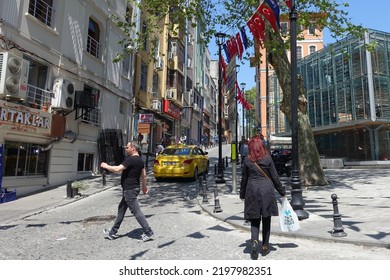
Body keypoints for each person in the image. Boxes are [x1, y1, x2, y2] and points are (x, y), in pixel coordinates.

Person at [239, 134, 286, 259]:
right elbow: (275, 177)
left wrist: (242, 193)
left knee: (254, 219)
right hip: (266, 191)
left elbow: (244, 179)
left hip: (252, 190)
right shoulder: (268, 158)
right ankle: (265, 245)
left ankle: (254, 241)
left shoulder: (247, 160)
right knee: (266, 218)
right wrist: (282, 192)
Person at [100, 141, 154, 242]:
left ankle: (148, 231)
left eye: (127, 147)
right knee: (121, 209)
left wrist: (105, 165)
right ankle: (112, 232)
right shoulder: (140, 160)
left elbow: (117, 169)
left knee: (136, 211)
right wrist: (144, 187)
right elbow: (144, 175)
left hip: (129, 190)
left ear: (133, 149)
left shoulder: (130, 160)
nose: (125, 148)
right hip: (133, 188)